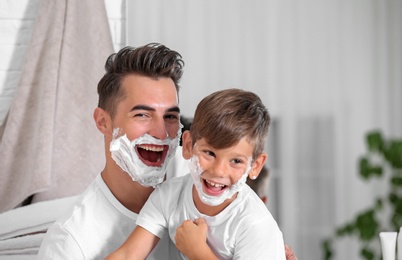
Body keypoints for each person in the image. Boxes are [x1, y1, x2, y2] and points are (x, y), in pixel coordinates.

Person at [37, 43, 186, 259]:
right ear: (103, 122)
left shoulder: (203, 177)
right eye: (142, 115)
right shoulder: (70, 244)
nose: (162, 133)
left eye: (170, 116)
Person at [106, 88, 286, 259]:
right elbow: (128, 255)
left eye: (236, 161)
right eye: (209, 153)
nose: (218, 170)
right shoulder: (170, 196)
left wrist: (198, 252)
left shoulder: (255, 224)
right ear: (188, 146)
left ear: (255, 165)